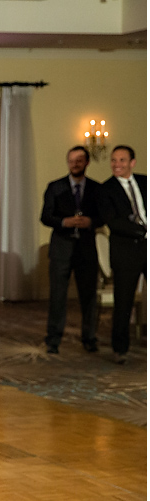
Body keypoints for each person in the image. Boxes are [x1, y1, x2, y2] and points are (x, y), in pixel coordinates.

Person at [40, 145, 104, 354]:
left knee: (89, 296)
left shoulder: (97, 189)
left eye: (79, 160)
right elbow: (45, 216)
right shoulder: (55, 187)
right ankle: (53, 339)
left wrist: (91, 222)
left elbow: (104, 216)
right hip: (61, 249)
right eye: (71, 160)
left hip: (86, 250)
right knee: (58, 296)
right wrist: (64, 222)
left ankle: (89, 338)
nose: (75, 164)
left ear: (86, 162)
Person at [99, 145, 147, 364]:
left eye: (122, 160)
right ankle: (120, 348)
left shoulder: (145, 182)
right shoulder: (106, 189)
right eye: (114, 160)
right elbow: (113, 221)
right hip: (126, 251)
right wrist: (144, 230)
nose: (117, 164)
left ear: (132, 162)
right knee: (123, 301)